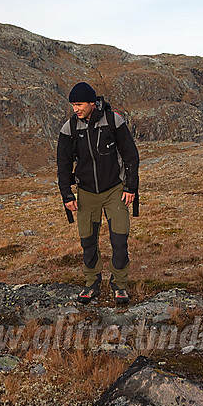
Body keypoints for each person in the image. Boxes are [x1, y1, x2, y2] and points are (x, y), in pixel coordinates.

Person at [57, 82, 139, 306]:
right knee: (88, 241)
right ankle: (92, 283)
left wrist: (131, 187)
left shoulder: (113, 121)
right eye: (73, 105)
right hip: (86, 193)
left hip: (115, 190)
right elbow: (63, 165)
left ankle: (119, 285)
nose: (76, 109)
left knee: (119, 239)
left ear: (92, 103)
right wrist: (67, 195)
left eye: (80, 104)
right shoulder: (69, 128)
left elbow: (131, 156)